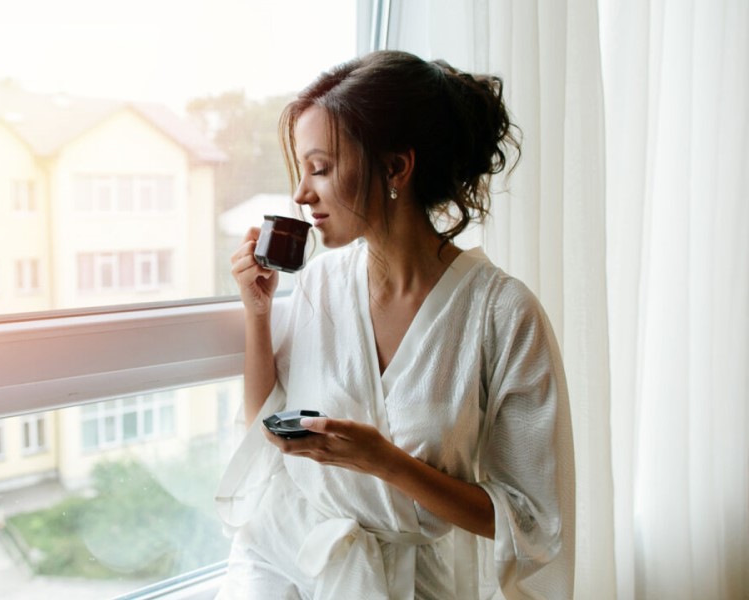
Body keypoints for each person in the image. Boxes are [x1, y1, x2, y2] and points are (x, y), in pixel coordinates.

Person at [217, 50, 574, 599]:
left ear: (395, 168)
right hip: (289, 562)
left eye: (322, 168)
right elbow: (265, 432)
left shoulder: (501, 313)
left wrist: (384, 462)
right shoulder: (320, 284)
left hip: (419, 584)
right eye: (301, 169)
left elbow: (527, 521)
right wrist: (257, 312)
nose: (301, 193)